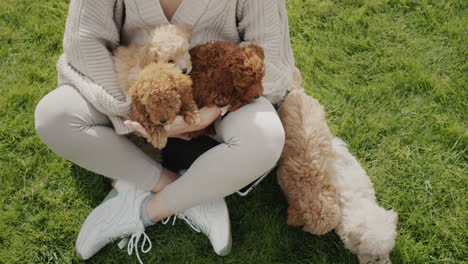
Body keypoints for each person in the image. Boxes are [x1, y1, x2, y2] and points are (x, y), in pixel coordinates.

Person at [34, 0, 295, 262]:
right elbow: (83, 44)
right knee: (54, 116)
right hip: (128, 88)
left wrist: (212, 112)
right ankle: (180, 188)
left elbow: (271, 59)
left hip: (214, 95)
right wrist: (139, 111)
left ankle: (145, 210)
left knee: (265, 137)